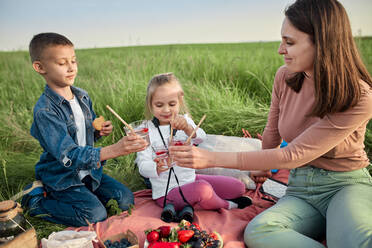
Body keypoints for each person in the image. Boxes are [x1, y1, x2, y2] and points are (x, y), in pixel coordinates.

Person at [169, 0, 372, 247]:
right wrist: (263, 165)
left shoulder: (359, 96)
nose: (280, 49)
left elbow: (293, 155)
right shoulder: (284, 78)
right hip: (300, 190)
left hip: (344, 186)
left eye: (290, 42)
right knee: (260, 232)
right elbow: (273, 131)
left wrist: (210, 158)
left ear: (322, 42)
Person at [21, 33, 148, 227]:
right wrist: (115, 150)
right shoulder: (45, 111)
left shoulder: (82, 97)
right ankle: (37, 202)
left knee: (125, 200)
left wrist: (98, 132)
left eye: (73, 61)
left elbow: (83, 135)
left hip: (90, 172)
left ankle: (86, 194)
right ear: (40, 67)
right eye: (62, 63)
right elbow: (69, 154)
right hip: (62, 177)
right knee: (95, 215)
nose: (71, 67)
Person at [135, 73, 252, 220]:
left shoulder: (184, 121)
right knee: (203, 189)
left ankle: (200, 200)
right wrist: (156, 167)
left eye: (172, 104)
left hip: (190, 180)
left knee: (238, 187)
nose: (166, 110)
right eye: (159, 105)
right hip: (166, 192)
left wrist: (188, 129)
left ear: (180, 101)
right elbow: (142, 165)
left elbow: (201, 137)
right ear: (150, 104)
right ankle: (228, 204)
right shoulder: (145, 130)